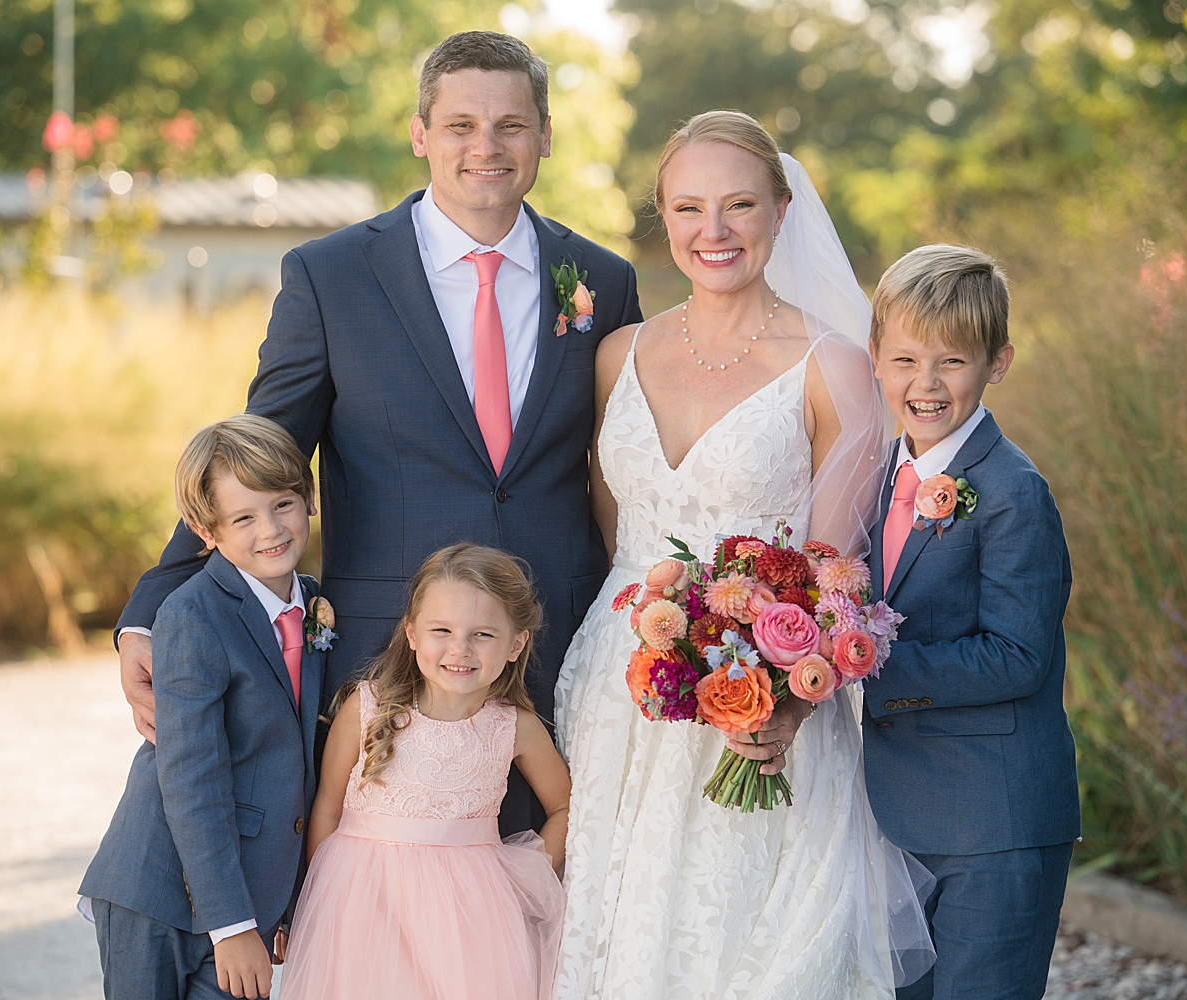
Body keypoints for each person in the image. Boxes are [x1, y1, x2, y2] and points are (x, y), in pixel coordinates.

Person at [112, 30, 641, 838]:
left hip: (558, 647)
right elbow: (258, 460)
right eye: (460, 125)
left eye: (511, 125)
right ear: (420, 133)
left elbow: (627, 467)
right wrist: (151, 607)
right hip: (392, 656)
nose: (486, 147)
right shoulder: (331, 277)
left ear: (542, 135)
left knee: (552, 915)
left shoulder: (602, 280)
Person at [554, 110, 934, 1000]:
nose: (712, 232)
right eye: (688, 209)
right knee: (611, 935)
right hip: (619, 693)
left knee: (734, 948)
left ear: (781, 208)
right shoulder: (616, 355)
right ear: (662, 216)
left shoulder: (833, 367)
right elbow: (620, 535)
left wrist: (781, 703)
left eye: (738, 206)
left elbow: (834, 578)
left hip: (760, 709)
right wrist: (659, 634)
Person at [861, 244, 1080, 1000]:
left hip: (994, 820)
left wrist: (863, 669)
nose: (925, 385)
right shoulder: (875, 475)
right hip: (896, 813)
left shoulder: (1013, 491)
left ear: (998, 362)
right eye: (905, 359)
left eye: (951, 362)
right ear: (876, 359)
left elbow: (1017, 654)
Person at [79, 414, 326, 1000]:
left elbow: (292, 764)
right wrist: (234, 925)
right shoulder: (192, 615)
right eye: (243, 517)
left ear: (310, 499)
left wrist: (282, 900)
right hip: (160, 890)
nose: (271, 529)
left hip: (241, 891)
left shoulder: (313, 604)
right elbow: (193, 778)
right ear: (204, 530)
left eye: (283, 504)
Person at [275, 543, 569, 1000]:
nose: (460, 649)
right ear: (411, 632)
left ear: (516, 644)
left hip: (469, 919)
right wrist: (318, 903)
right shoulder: (367, 706)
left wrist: (523, 878)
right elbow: (328, 806)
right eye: (441, 630)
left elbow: (566, 806)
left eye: (483, 635)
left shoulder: (514, 726)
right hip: (362, 907)